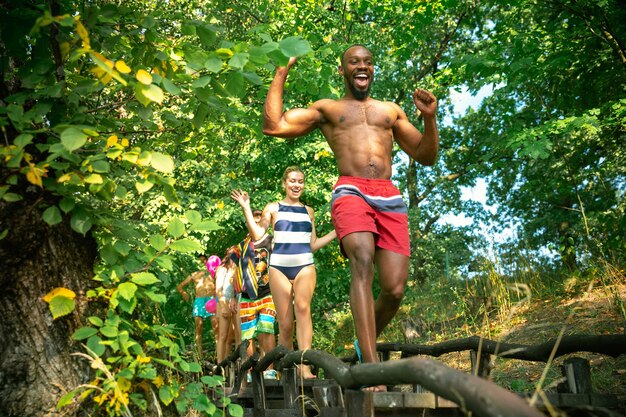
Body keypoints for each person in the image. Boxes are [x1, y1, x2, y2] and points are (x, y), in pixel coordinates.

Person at [262, 45, 439, 390]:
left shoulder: (390, 111)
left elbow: (425, 154)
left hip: (388, 193)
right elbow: (275, 126)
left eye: (368, 62)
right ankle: (371, 368)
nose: (362, 66)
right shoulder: (329, 109)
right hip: (351, 191)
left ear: (373, 69)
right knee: (362, 260)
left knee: (394, 289)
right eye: (354, 62)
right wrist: (281, 72)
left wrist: (430, 117)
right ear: (342, 70)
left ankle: (363, 344)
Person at [231, 166, 336, 379]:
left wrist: (336, 232)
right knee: (285, 325)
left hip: (305, 265)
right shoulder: (273, 208)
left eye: (300, 181)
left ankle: (305, 367)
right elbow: (259, 234)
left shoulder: (309, 211)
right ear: (284, 184)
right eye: (292, 181)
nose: (296, 185)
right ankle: (287, 370)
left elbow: (313, 244)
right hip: (278, 268)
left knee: (303, 307)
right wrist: (246, 208)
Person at [230, 209, 278, 381]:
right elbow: (236, 271)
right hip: (246, 295)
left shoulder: (271, 241)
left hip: (267, 293)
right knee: (248, 334)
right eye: (253, 220)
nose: (256, 224)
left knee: (266, 328)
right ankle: (252, 371)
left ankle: (270, 370)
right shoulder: (241, 245)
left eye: (259, 221)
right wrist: (233, 296)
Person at [176, 254, 217, 359]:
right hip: (199, 301)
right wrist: (184, 293)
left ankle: (218, 352)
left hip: (211, 300)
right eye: (200, 260)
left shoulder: (213, 273)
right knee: (199, 327)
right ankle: (199, 355)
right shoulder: (194, 275)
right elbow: (180, 286)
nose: (202, 262)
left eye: (204, 260)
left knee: (215, 326)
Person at [214, 246, 242, 363]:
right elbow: (218, 290)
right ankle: (220, 364)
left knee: (238, 335)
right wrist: (224, 307)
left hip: (235, 300)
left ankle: (240, 362)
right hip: (224, 302)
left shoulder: (238, 269)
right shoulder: (223, 269)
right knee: (223, 336)